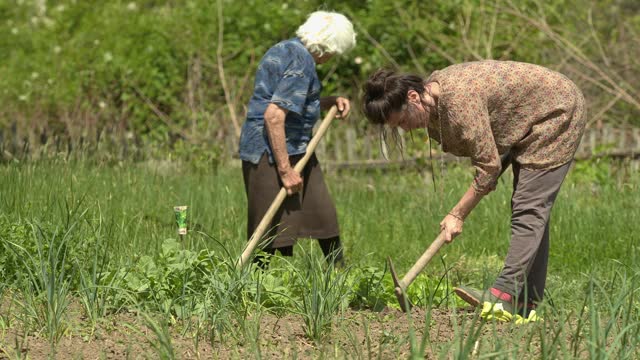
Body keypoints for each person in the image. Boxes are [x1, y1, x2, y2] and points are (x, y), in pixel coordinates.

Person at [361, 61, 586, 319]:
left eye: (401, 121)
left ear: (412, 97)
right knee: (530, 209)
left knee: (529, 208)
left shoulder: (458, 100)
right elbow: (488, 151)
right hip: (530, 116)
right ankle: (525, 304)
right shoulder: (433, 99)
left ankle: (503, 294)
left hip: (556, 111)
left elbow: (487, 166)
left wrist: (457, 214)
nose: (404, 129)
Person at [239, 11, 356, 268]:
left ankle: (340, 277)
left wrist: (328, 102)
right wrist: (285, 169)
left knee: (323, 214)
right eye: (334, 52)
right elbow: (273, 116)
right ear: (326, 47)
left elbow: (294, 102)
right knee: (269, 228)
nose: (332, 57)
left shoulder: (288, 49)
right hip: (269, 151)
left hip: (297, 148)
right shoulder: (301, 61)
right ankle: (253, 289)